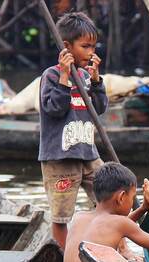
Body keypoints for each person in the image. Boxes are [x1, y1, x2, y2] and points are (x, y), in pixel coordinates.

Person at [39, 11, 107, 249]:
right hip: (60, 157)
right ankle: (66, 256)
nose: (91, 52)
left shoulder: (88, 76)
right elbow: (54, 109)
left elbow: (99, 109)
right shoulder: (52, 75)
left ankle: (110, 247)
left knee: (108, 198)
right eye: (85, 46)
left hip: (88, 153)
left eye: (93, 47)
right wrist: (65, 77)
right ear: (66, 47)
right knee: (61, 214)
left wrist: (97, 81)